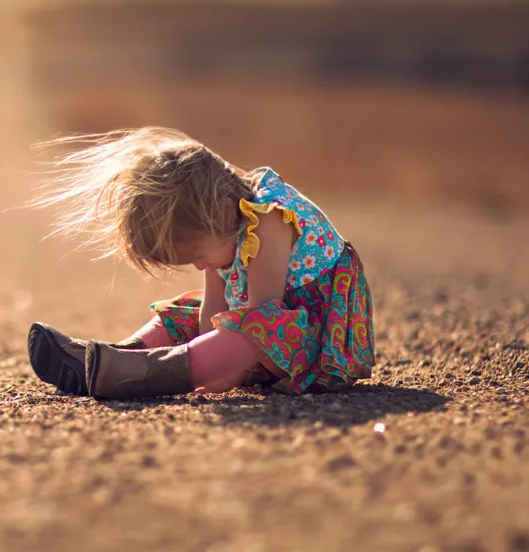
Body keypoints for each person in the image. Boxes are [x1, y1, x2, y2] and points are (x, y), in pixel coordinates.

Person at [26, 127, 374, 399]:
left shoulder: (270, 218)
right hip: (273, 328)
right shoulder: (222, 229)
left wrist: (225, 375)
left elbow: (264, 313)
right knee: (184, 313)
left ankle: (143, 373)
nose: (198, 266)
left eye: (197, 256)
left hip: (317, 336)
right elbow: (213, 311)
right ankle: (119, 357)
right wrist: (208, 349)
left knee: (258, 327)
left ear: (217, 215)